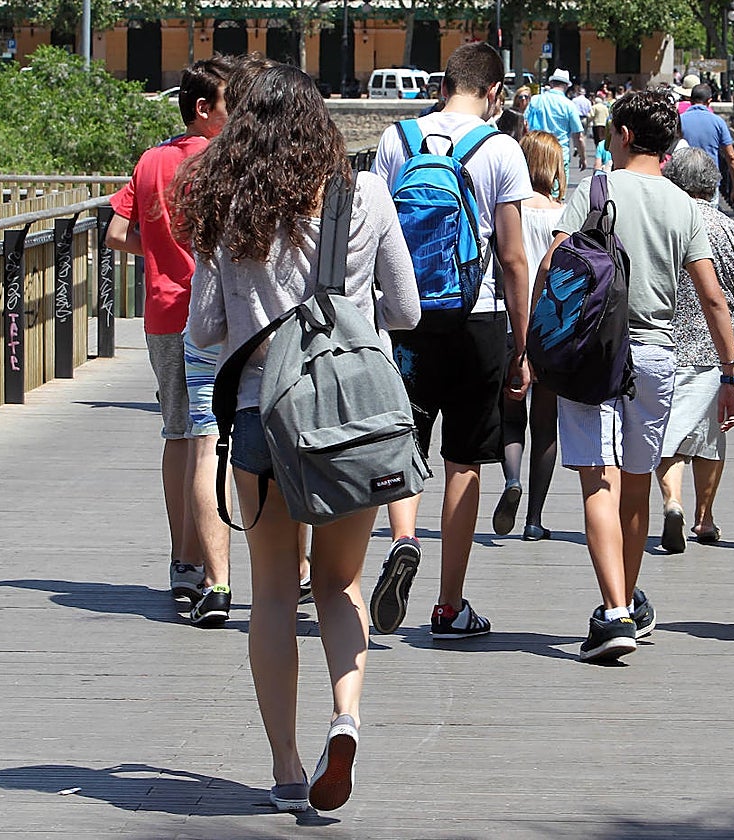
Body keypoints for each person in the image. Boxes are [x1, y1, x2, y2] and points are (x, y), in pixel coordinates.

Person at [179, 64, 420, 812]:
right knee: (341, 583)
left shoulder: (228, 205)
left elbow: (203, 329)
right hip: (351, 420)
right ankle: (345, 718)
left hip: (264, 419)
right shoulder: (366, 194)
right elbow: (407, 309)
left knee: (275, 592)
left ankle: (286, 769)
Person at [535, 90, 734, 663]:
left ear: (624, 134)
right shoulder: (684, 205)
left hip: (592, 354)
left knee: (597, 482)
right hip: (656, 355)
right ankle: (625, 601)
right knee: (635, 481)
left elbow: (553, 265)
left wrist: (533, 346)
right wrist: (732, 374)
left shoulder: (595, 190)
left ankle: (614, 613)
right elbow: (713, 299)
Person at [370, 41, 533, 640]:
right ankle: (448, 606)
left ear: (442, 86)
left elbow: (373, 232)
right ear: (494, 93)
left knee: (403, 445)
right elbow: (513, 258)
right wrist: (522, 347)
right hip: (477, 318)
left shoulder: (397, 140)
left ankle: (403, 538)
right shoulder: (501, 148)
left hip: (407, 320)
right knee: (464, 462)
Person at [106, 57, 237, 613]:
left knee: (178, 433)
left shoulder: (151, 159)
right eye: (231, 104)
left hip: (161, 313)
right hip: (214, 315)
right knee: (213, 438)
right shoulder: (221, 161)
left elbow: (117, 234)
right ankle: (213, 565)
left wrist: (160, 254)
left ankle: (182, 561)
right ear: (204, 108)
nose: (238, 115)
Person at [655, 148, 734, 552]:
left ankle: (672, 501)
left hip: (665, 342)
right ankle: (704, 518)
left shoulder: (663, 224)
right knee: (710, 436)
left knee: (668, 435)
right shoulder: (732, 232)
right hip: (721, 352)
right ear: (713, 185)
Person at [494, 130, 566, 541]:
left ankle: (511, 479)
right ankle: (534, 519)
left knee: (510, 417)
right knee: (545, 425)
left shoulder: (509, 212)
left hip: (510, 324)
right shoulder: (564, 215)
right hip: (551, 331)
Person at [679, 83, 734, 204]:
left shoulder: (680, 120)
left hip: (684, 179)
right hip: (709, 182)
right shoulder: (718, 122)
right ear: (709, 101)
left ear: (691, 100)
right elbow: (731, 156)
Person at [526, 68, 586, 184]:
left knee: (536, 189)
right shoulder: (569, 105)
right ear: (566, 86)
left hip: (536, 151)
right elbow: (578, 136)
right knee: (557, 191)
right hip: (559, 152)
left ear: (551, 83)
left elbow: (524, 124)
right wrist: (583, 157)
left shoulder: (535, 100)